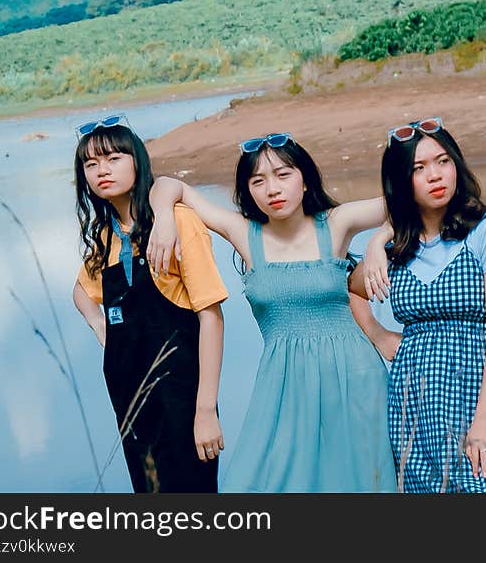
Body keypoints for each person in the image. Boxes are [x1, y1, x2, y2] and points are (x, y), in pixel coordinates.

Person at [146, 132, 399, 493]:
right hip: (283, 388)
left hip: (354, 377)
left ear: (305, 178)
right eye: (258, 181)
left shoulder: (337, 224)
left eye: (283, 175)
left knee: (359, 482)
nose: (272, 189)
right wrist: (165, 219)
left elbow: (409, 198)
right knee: (254, 482)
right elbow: (168, 186)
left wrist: (376, 243)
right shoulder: (244, 234)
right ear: (247, 190)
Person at [354, 116, 486, 493]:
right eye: (419, 168)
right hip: (415, 405)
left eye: (443, 161)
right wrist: (376, 333)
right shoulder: (393, 251)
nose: (435, 175)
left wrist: (484, 417)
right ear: (402, 181)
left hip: (483, 395)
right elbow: (345, 289)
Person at [71, 114, 227, 493]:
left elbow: (211, 317)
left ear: (137, 161)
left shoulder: (178, 222)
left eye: (113, 159)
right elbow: (80, 291)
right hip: (130, 399)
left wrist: (205, 410)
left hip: (180, 398)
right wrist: (98, 323)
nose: (101, 171)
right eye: (91, 164)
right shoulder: (106, 237)